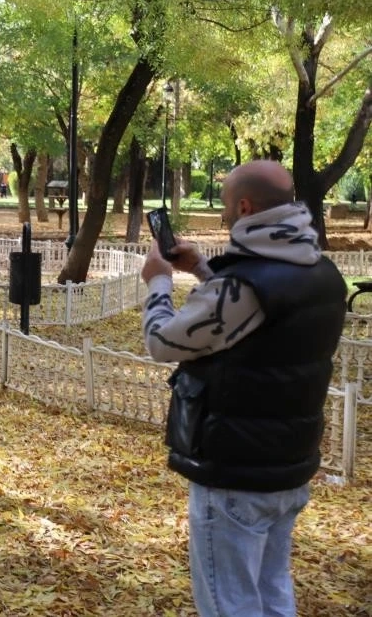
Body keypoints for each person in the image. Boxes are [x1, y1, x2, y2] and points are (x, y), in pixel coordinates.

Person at [141, 160, 346, 616]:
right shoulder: (321, 272)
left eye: (227, 208)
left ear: (245, 206)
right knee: (272, 591)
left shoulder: (244, 286)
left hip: (236, 471)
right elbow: (262, 321)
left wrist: (158, 282)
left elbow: (163, 341)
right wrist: (202, 269)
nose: (224, 218)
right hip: (289, 463)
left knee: (229, 603)